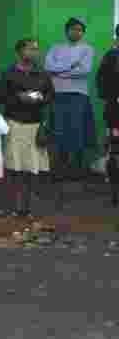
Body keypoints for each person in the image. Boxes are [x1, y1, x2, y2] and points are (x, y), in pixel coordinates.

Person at [2, 39, 54, 217]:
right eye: (30, 49)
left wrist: (39, 98)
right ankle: (15, 206)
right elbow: (1, 96)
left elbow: (50, 95)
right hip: (15, 123)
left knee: (33, 168)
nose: (34, 52)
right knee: (15, 167)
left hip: (35, 124)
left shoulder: (42, 73)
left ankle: (29, 207)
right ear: (20, 51)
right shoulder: (10, 73)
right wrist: (19, 97)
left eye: (36, 49)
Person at [45, 17, 97, 170]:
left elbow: (84, 70)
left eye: (80, 30)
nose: (76, 32)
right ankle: (61, 166)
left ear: (83, 33)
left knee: (77, 130)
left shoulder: (87, 49)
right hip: (58, 94)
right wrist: (71, 66)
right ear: (67, 31)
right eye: (73, 29)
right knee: (59, 129)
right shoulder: (56, 48)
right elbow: (48, 66)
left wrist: (59, 73)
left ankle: (77, 167)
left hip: (79, 94)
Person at [97, 27, 119, 206]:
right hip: (115, 112)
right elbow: (101, 83)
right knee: (115, 151)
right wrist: (113, 97)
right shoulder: (111, 57)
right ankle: (115, 190)